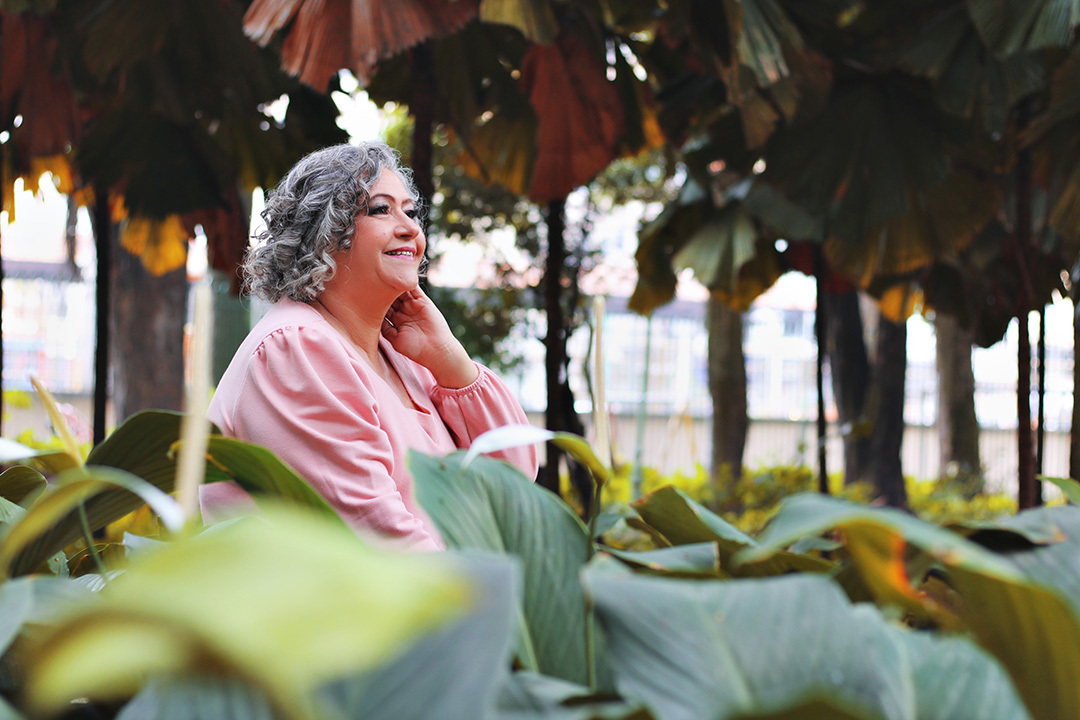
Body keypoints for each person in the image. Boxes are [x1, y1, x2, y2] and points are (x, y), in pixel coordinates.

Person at [202, 142, 539, 551]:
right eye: (381, 209)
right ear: (323, 232)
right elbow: (374, 537)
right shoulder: (297, 349)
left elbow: (517, 485)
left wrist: (451, 361)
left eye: (411, 212)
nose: (410, 228)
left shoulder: (406, 355)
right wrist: (492, 604)